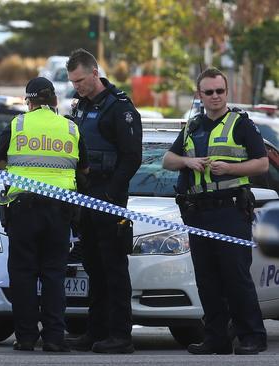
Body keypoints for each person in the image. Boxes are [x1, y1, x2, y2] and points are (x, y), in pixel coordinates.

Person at [162, 67, 268, 355]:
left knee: (236, 277)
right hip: (199, 213)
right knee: (207, 279)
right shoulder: (193, 127)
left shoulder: (240, 124)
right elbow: (167, 160)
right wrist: (187, 162)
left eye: (220, 91)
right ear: (200, 95)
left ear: (226, 91)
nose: (215, 96)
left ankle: (252, 337)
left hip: (230, 211)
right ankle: (216, 338)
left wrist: (231, 168)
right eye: (209, 92)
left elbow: (262, 164)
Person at [0, 77, 88, 352]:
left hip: (23, 210)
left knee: (23, 274)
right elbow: (84, 171)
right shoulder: (71, 127)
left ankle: (25, 337)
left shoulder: (17, 125)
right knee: (54, 273)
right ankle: (55, 338)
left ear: (29, 101)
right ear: (54, 100)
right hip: (59, 211)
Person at [65, 49, 142, 354]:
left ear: (95, 73)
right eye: (73, 82)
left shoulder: (119, 108)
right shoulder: (81, 106)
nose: (77, 86)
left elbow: (132, 157)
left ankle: (120, 335)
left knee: (113, 268)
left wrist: (111, 194)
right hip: (85, 196)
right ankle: (94, 332)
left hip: (107, 198)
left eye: (81, 80)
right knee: (93, 267)